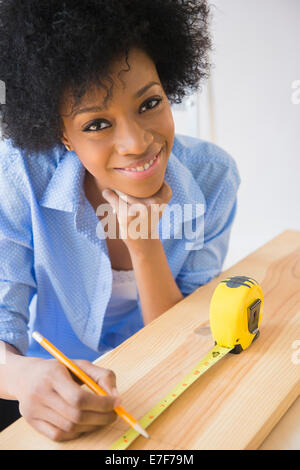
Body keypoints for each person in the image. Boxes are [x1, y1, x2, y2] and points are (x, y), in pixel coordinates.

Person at [0, 0, 240, 441]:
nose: (136, 142)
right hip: (46, 390)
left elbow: (189, 340)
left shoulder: (212, 178)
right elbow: (2, 317)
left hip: (158, 387)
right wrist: (21, 377)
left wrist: (144, 245)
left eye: (149, 102)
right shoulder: (20, 177)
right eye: (96, 124)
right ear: (62, 134)